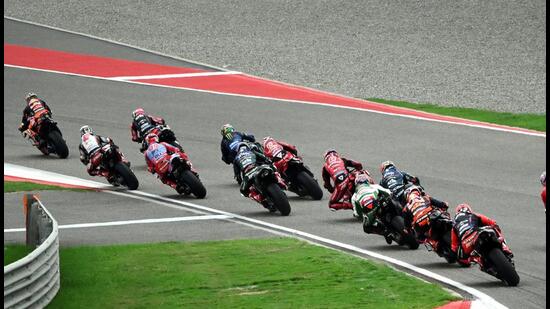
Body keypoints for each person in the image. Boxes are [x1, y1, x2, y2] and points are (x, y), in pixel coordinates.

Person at [234, 142, 273, 208]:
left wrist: (240, 181)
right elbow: (263, 157)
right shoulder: (251, 151)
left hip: (248, 174)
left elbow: (237, 174)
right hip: (257, 168)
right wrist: (269, 162)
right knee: (272, 169)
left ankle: (261, 200)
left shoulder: (236, 158)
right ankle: (281, 183)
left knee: (243, 191)